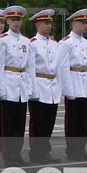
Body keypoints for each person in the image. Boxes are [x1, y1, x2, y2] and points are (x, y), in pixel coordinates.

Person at [26, 9, 62, 164]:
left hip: (52, 85)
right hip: (39, 85)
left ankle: (45, 151)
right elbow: (30, 68)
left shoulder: (55, 44)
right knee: (38, 123)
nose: (49, 26)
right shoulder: (32, 44)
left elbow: (58, 67)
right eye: (46, 23)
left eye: (50, 23)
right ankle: (36, 153)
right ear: (37, 24)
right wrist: (32, 90)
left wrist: (60, 87)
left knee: (49, 123)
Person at [58, 9, 87, 161]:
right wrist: (68, 89)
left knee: (83, 120)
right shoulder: (66, 43)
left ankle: (81, 148)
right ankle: (72, 150)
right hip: (73, 81)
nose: (84, 25)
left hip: (85, 83)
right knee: (73, 120)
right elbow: (63, 67)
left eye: (86, 22)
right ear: (73, 23)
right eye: (81, 22)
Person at [0, 6, 30, 166]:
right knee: (8, 125)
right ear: (7, 21)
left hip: (21, 84)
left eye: (18, 20)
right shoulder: (2, 40)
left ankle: (17, 154)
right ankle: (9, 156)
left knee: (19, 124)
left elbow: (29, 67)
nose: (16, 23)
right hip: (8, 83)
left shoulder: (26, 41)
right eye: (13, 20)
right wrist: (1, 88)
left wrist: (29, 88)